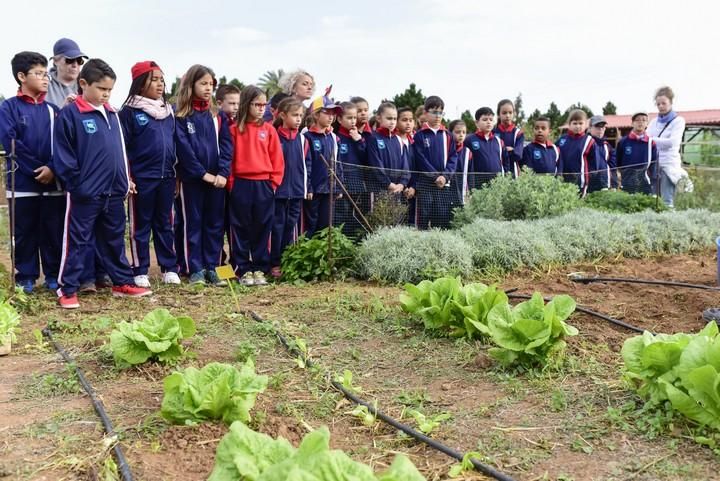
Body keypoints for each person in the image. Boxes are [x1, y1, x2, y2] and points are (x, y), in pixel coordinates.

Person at [53, 59, 152, 308]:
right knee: (77, 242)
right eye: (101, 89)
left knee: (114, 240)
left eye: (109, 90)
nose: (106, 94)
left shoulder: (112, 114)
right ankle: (67, 289)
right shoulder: (70, 115)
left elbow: (119, 150)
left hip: (114, 193)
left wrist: (124, 180)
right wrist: (78, 186)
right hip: (85, 195)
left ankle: (122, 282)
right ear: (83, 84)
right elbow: (63, 157)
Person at [0, 51, 62, 293]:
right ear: (21, 76)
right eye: (39, 73)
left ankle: (54, 276)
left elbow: (63, 144)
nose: (45, 78)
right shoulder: (9, 108)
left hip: (53, 183)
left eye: (46, 73)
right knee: (25, 232)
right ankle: (25, 276)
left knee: (53, 232)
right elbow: (11, 141)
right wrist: (38, 169)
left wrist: (53, 168)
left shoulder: (54, 110)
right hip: (22, 183)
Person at [119, 60, 180, 287]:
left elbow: (175, 145)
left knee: (165, 223)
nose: (160, 84)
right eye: (154, 79)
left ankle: (169, 268)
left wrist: (177, 176)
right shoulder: (129, 112)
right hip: (142, 179)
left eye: (162, 79)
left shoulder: (168, 112)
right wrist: (128, 177)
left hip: (166, 176)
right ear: (140, 83)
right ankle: (140, 268)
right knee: (140, 225)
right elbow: (123, 148)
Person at [174, 64, 232, 286]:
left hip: (217, 182)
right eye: (203, 83)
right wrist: (202, 174)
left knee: (215, 224)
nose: (208, 88)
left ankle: (214, 267)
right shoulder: (181, 115)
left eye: (211, 84)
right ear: (191, 85)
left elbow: (227, 145)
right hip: (193, 182)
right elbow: (184, 149)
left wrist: (223, 173)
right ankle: (195, 268)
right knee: (193, 223)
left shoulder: (218, 116)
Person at [228, 85, 284, 286]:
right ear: (246, 104)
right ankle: (242, 268)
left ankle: (260, 268)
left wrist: (274, 182)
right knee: (241, 227)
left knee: (262, 226)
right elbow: (230, 159)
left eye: (264, 104)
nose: (262, 108)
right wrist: (232, 184)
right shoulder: (234, 130)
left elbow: (277, 158)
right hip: (241, 184)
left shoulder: (268, 130)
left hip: (264, 185)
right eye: (257, 104)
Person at [271, 97, 310, 279]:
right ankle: (274, 263)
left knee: (290, 226)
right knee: (277, 227)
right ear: (283, 115)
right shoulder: (274, 136)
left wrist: (306, 187)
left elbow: (307, 165)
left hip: (296, 191)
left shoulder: (303, 140)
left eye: (301, 115)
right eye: (294, 115)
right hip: (277, 191)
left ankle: (288, 261)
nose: (298, 119)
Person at [413, 96, 457, 229]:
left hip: (443, 185)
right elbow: (420, 159)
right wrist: (435, 176)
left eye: (440, 112)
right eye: (434, 112)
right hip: (425, 185)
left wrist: (445, 176)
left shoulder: (448, 135)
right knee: (423, 219)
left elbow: (453, 158)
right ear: (426, 113)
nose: (437, 116)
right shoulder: (420, 135)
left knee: (441, 218)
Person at [303, 91, 342, 237]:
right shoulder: (307, 137)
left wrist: (338, 186)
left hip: (329, 189)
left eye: (333, 113)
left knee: (325, 225)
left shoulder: (333, 137)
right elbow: (306, 165)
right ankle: (308, 255)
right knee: (311, 225)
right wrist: (309, 187)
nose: (331, 117)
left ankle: (323, 255)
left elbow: (338, 163)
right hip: (313, 191)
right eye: (327, 113)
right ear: (316, 114)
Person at [366, 102, 410, 216]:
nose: (392, 122)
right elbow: (375, 165)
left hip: (396, 191)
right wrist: (388, 184)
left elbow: (405, 166)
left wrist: (402, 184)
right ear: (379, 118)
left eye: (395, 119)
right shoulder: (372, 138)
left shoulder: (399, 140)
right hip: (378, 190)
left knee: (394, 221)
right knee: (378, 220)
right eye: (389, 118)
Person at [647, 86, 686, 208]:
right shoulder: (654, 122)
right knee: (653, 199)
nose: (661, 106)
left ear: (671, 102)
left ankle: (669, 226)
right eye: (658, 104)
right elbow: (646, 139)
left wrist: (652, 140)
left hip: (669, 166)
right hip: (653, 165)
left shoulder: (678, 121)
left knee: (667, 201)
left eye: (664, 103)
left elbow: (673, 143)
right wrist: (659, 141)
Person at [334, 101, 368, 236]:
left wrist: (359, 140)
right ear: (340, 119)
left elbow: (365, 159)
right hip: (343, 183)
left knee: (356, 215)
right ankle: (340, 242)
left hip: (357, 182)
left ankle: (354, 242)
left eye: (354, 117)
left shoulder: (359, 137)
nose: (353, 121)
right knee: (341, 213)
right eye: (349, 118)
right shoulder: (336, 137)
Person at [616, 112, 658, 194]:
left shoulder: (651, 143)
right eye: (637, 120)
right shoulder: (623, 142)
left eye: (644, 120)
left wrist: (653, 183)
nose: (640, 122)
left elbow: (654, 166)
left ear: (647, 124)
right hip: (627, 182)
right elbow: (618, 163)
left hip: (645, 183)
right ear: (632, 123)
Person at [556, 109, 595, 197]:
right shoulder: (562, 140)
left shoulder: (589, 141)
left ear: (586, 125)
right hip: (562, 181)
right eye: (575, 123)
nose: (578, 126)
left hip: (581, 182)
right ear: (569, 124)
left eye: (580, 123)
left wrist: (591, 179)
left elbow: (594, 163)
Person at [464, 107, 504, 189]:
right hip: (477, 184)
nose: (489, 122)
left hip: (497, 183)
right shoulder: (469, 140)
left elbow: (505, 162)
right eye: (485, 119)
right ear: (476, 123)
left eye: (491, 119)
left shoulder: (499, 141)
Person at [46, 38, 87, 107]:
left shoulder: (87, 85)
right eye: (69, 60)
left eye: (79, 60)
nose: (75, 65)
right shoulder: (44, 85)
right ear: (55, 61)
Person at [396, 107, 417, 224]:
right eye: (404, 120)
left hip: (411, 191)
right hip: (396, 188)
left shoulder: (414, 143)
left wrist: (413, 186)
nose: (408, 123)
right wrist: (402, 185)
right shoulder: (394, 141)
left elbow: (416, 168)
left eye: (411, 120)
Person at [493, 99, 523, 177]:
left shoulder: (518, 133)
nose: (507, 115)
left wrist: (502, 151)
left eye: (510, 112)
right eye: (504, 113)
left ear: (514, 114)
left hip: (513, 173)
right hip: (496, 172)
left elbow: (518, 155)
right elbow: (492, 154)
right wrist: (509, 149)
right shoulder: (492, 132)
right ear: (498, 115)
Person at [449, 119, 471, 206]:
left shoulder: (468, 152)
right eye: (458, 132)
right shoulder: (446, 150)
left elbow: (471, 174)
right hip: (447, 191)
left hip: (462, 191)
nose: (461, 135)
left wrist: (471, 191)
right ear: (450, 132)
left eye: (464, 132)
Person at [587, 115, 612, 191]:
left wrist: (614, 184)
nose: (600, 129)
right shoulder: (585, 143)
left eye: (603, 127)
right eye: (597, 127)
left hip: (604, 185)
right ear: (590, 128)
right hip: (588, 186)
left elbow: (612, 167)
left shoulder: (607, 146)